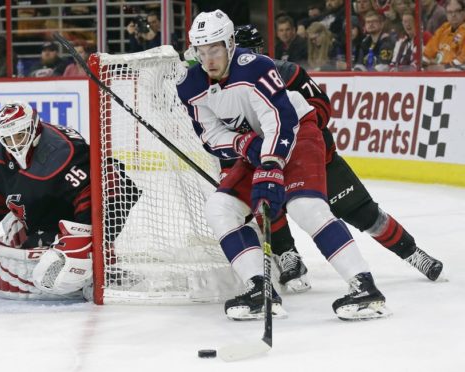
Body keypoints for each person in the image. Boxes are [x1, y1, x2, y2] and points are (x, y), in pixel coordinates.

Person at [177, 10, 389, 321]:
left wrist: (270, 165)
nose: (209, 59)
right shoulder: (191, 86)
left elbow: (280, 119)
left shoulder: (256, 68)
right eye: (202, 50)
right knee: (219, 208)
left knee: (305, 206)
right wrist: (243, 145)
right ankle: (260, 288)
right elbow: (210, 135)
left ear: (231, 44)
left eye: (216, 48)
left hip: (299, 132)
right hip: (257, 144)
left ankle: (365, 288)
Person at [234, 24, 444, 290]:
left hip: (316, 162)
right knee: (266, 207)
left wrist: (295, 135)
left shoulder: (287, 73)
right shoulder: (228, 91)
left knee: (365, 214)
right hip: (271, 164)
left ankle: (413, 253)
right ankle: (289, 256)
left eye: (250, 52)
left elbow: (321, 107)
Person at [0, 101, 140, 300]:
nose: (14, 144)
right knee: (15, 233)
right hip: (40, 214)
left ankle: (94, 262)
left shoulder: (62, 152)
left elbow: (95, 191)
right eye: (8, 139)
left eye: (19, 136)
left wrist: (83, 239)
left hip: (74, 217)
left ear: (34, 128)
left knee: (52, 272)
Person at [423, 0, 465, 71]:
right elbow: (428, 53)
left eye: (457, 11)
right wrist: (425, 62)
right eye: (450, 12)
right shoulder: (444, 28)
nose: (453, 15)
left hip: (456, 76)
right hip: (439, 73)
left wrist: (444, 67)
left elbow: (462, 61)